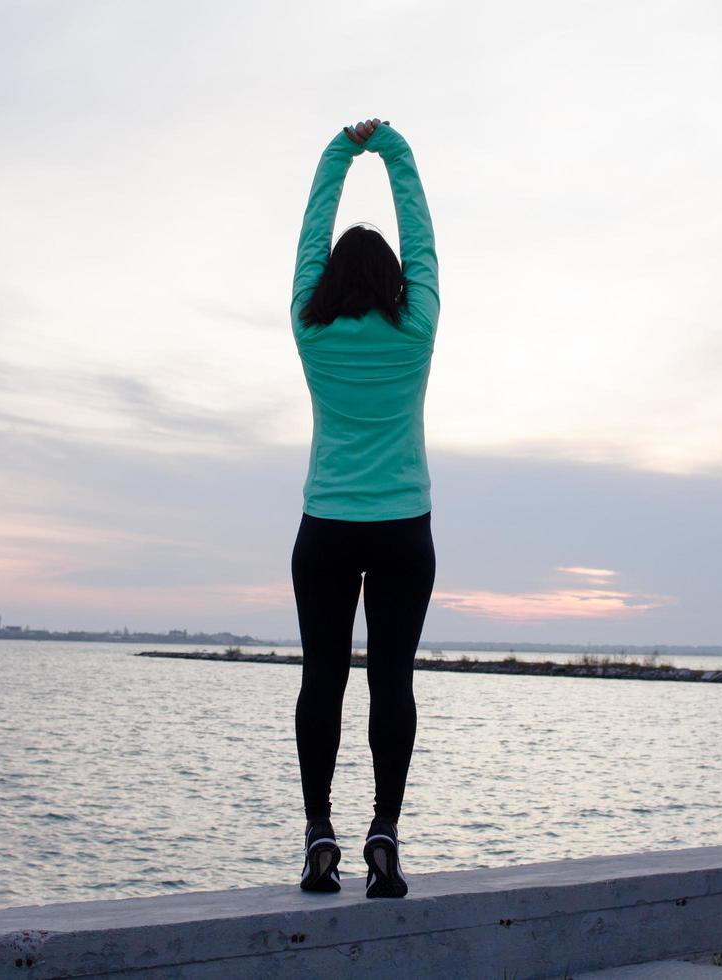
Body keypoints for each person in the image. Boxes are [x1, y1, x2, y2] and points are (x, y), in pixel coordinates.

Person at [289, 117, 439, 899]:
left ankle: (320, 834)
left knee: (323, 680)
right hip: (403, 530)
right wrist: (394, 152)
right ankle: (385, 831)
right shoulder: (415, 332)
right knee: (392, 682)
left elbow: (310, 240)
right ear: (396, 284)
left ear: (326, 282)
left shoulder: (310, 332)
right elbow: (424, 243)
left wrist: (340, 153)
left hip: (326, 528)